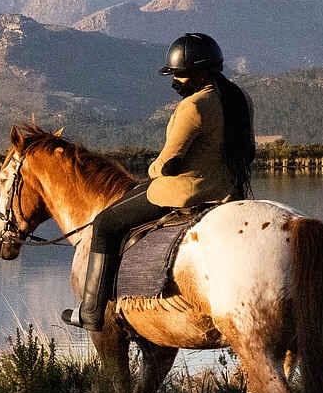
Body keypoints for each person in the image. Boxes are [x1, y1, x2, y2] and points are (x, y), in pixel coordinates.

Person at [62, 32, 256, 329]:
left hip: (186, 193)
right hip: (227, 190)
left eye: (179, 75)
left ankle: (91, 310)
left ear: (196, 73)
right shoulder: (236, 100)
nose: (174, 82)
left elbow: (166, 164)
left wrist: (152, 169)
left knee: (104, 223)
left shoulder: (192, 108)